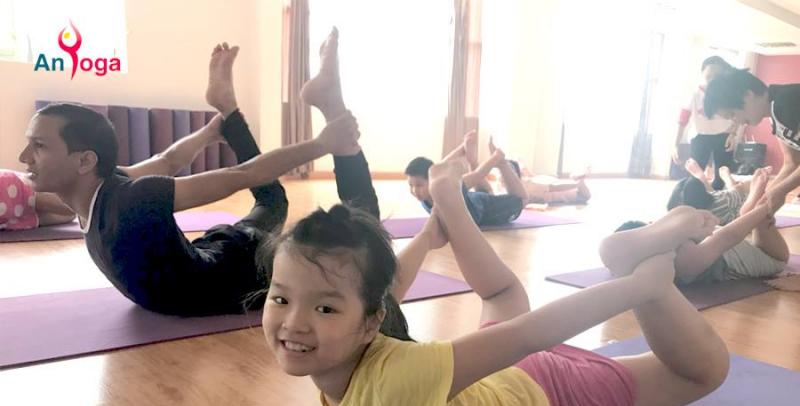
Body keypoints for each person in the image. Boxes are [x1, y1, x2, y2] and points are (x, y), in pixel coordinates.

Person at [258, 144, 730, 406]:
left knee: (705, 371)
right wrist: (428, 237)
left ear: (368, 323)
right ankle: (450, 200)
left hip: (550, 405)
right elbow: (379, 292)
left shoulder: (398, 379)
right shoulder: (355, 337)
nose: (294, 322)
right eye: (280, 299)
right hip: (493, 386)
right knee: (502, 293)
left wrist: (636, 287)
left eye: (323, 307)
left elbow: (527, 335)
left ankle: (632, 265)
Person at [17, 31, 369, 316]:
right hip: (212, 259)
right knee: (273, 201)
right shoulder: (105, 187)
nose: (23, 157)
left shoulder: (131, 201)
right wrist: (210, 132)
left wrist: (322, 144)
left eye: (39, 146)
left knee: (285, 205)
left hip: (235, 276)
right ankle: (229, 108)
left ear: (85, 161)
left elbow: (242, 174)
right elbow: (168, 160)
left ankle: (240, 108)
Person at [2, 115, 226, 231]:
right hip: (15, 202)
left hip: (12, 191)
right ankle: (209, 133)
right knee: (162, 163)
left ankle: (209, 132)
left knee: (163, 164)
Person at [626, 167, 792, 285]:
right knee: (768, 237)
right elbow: (728, 236)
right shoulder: (685, 261)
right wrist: (764, 209)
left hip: (735, 245)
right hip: (770, 258)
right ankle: (750, 212)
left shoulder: (671, 250)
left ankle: (749, 212)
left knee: (749, 218)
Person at [704, 68, 800, 205]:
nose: (736, 121)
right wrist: (765, 198)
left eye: (732, 114)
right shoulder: (775, 114)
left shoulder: (786, 102)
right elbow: (792, 163)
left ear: (748, 96)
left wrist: (779, 191)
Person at [405, 134, 529, 226]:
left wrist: (496, 157)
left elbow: (478, 174)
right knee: (485, 192)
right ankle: (473, 161)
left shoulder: (449, 187)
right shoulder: (426, 195)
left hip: (486, 210)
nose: (415, 190)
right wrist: (461, 148)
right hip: (474, 200)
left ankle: (502, 163)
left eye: (419, 185)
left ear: (432, 180)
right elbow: (439, 167)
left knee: (522, 199)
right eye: (411, 185)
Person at [672, 56, 742, 191]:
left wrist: (733, 134)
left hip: (724, 136)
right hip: (700, 137)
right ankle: (693, 200)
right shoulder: (694, 94)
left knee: (721, 177)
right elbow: (682, 119)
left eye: (717, 76)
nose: (712, 80)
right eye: (709, 76)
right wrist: (675, 144)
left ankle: (715, 200)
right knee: (695, 176)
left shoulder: (730, 95)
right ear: (702, 74)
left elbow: (739, 115)